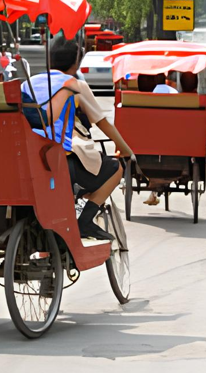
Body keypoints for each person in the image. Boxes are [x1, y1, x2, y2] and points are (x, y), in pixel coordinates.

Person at [20, 37, 130, 241]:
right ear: (75, 63)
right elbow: (102, 123)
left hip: (26, 157)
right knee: (116, 169)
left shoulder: (27, 84)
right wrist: (125, 149)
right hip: (58, 160)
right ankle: (86, 222)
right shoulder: (75, 85)